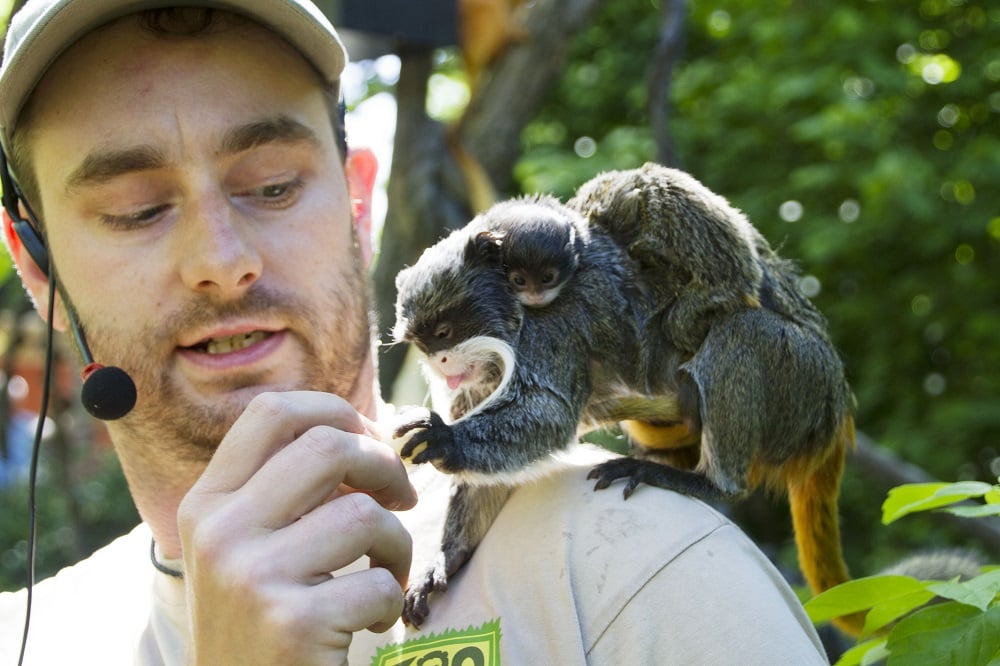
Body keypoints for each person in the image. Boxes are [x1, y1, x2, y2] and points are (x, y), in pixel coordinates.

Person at [0, 1, 830, 663]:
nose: (222, 261)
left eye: (274, 186)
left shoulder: (638, 567)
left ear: (359, 204)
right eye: (137, 210)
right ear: (38, 269)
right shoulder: (29, 641)